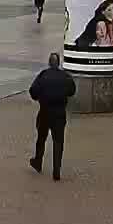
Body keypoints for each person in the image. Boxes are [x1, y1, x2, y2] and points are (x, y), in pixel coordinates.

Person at [28, 52, 76, 181]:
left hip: (45, 111)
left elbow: (33, 91)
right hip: (60, 113)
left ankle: (38, 161)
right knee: (58, 141)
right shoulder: (65, 76)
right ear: (59, 63)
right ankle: (56, 171)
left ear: (49, 63)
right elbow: (72, 91)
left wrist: (40, 98)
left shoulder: (43, 75)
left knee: (41, 138)